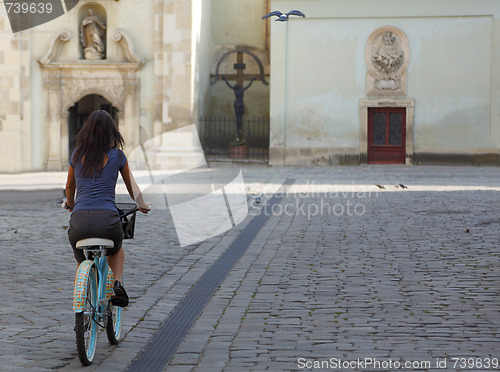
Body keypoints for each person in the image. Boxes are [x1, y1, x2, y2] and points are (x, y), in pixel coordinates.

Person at [64, 110, 150, 307]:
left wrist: (70, 204)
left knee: (79, 255)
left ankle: (82, 295)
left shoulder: (77, 155)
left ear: (86, 132)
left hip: (79, 223)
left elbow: (70, 187)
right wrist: (142, 205)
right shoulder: (118, 156)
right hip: (107, 222)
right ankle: (117, 283)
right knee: (117, 249)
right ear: (112, 133)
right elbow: (132, 187)